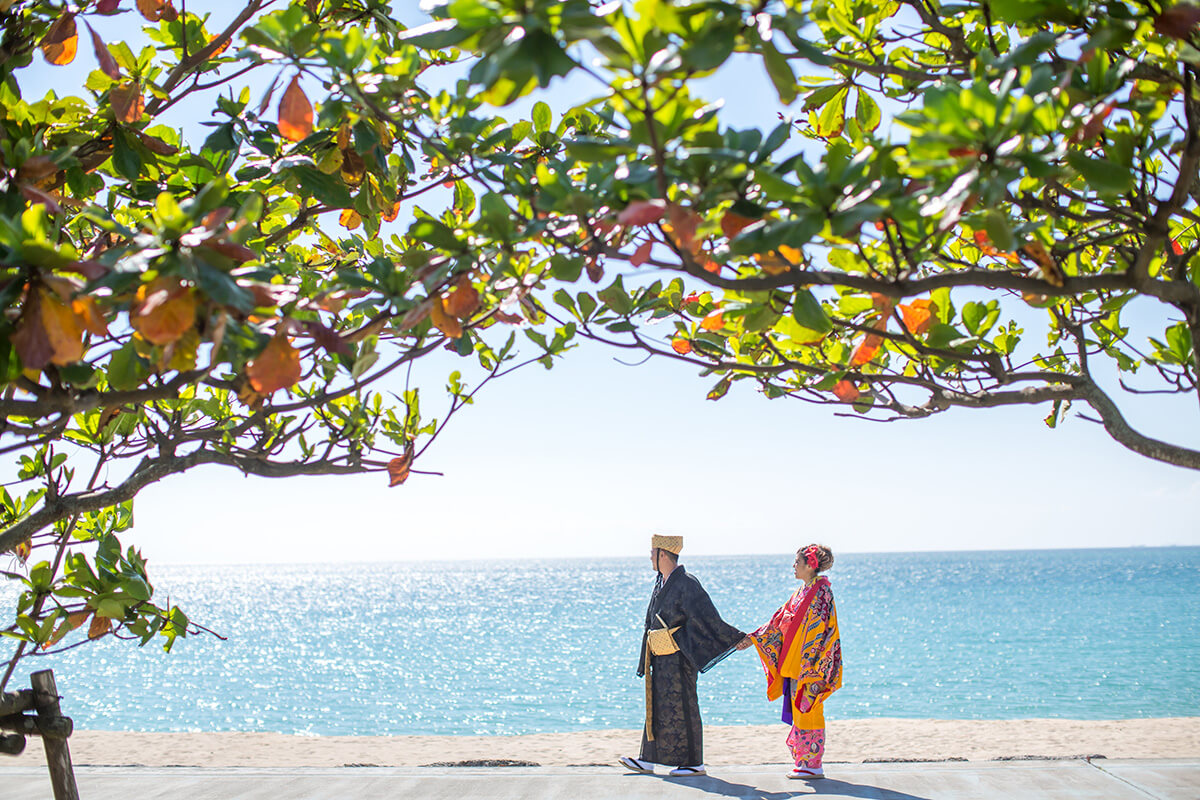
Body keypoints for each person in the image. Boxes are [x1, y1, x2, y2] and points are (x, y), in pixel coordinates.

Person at [619, 535, 745, 778]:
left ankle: (694, 762)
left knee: (685, 706)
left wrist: (734, 638)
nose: (649, 556)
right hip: (660, 657)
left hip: (680, 656)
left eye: (652, 552)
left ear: (663, 554)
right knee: (656, 704)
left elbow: (707, 617)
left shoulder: (687, 583)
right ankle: (648, 758)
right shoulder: (661, 582)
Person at [737, 544, 842, 779]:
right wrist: (754, 638)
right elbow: (779, 619)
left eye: (797, 562)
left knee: (810, 710)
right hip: (796, 664)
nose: (794, 566)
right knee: (800, 711)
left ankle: (812, 764)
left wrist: (811, 664)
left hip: (811, 665)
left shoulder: (822, 592)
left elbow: (821, 631)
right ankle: (804, 762)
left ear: (810, 565)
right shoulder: (802, 592)